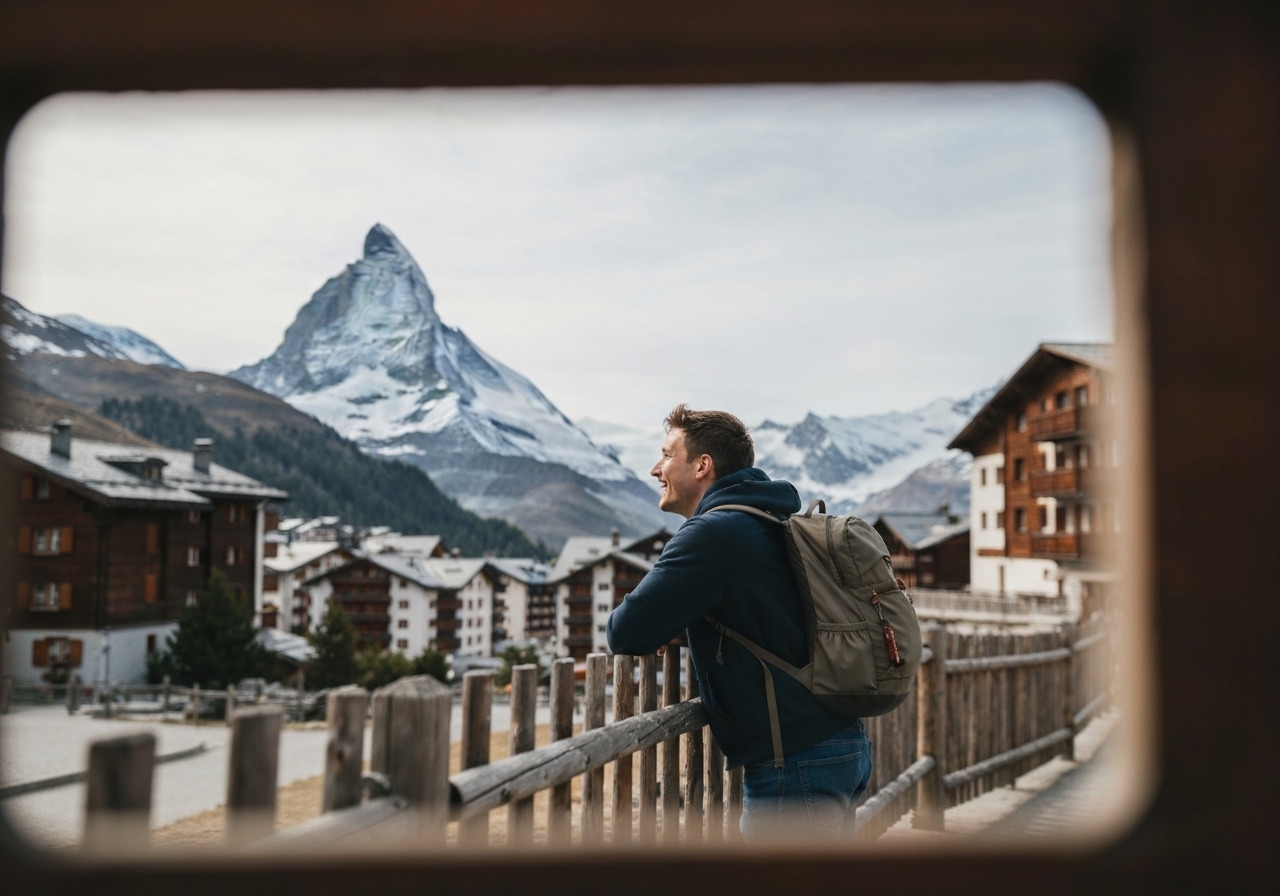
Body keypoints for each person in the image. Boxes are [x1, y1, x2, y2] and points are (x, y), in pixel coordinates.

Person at [607, 404, 871, 840]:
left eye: (667, 454)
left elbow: (625, 631)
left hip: (794, 762)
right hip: (838, 743)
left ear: (702, 465)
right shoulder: (770, 517)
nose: (656, 468)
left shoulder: (712, 535)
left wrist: (668, 620)